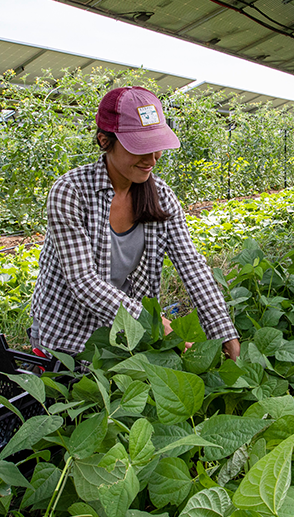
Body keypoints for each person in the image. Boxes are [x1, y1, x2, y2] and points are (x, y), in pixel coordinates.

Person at [31, 86, 241, 359]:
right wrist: (157, 326)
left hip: (127, 336)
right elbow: (83, 281)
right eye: (140, 147)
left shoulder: (161, 196)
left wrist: (223, 331)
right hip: (68, 337)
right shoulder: (71, 192)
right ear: (105, 141)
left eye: (157, 146)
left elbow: (190, 264)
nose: (152, 158)